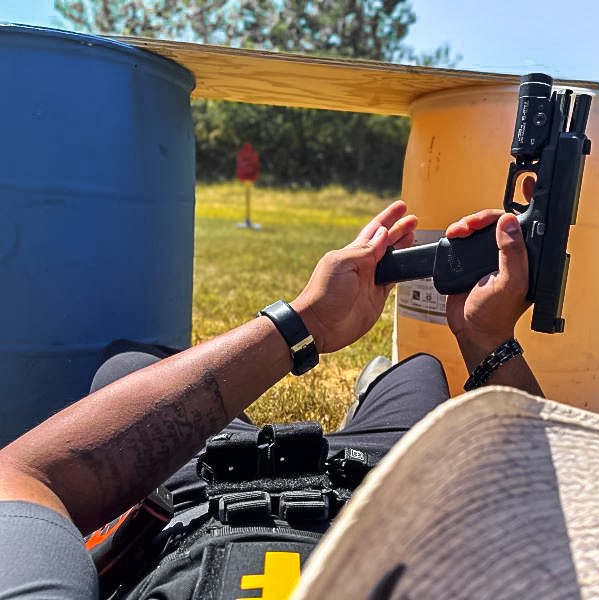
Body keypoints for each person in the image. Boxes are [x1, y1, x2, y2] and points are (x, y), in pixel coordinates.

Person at [0, 200, 542, 599]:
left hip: (198, 493)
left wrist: (306, 323)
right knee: (419, 375)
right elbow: (541, 524)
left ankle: (365, 399)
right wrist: (485, 340)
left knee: (128, 367)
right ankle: (373, 395)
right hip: (372, 493)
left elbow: (25, 478)